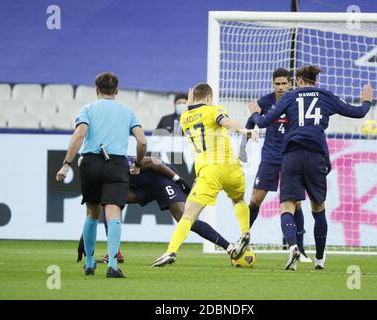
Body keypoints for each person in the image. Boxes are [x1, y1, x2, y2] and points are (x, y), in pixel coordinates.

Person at [249, 65, 373, 270]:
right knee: (318, 207)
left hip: (292, 155)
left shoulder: (289, 97)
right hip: (316, 156)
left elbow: (262, 122)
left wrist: (254, 114)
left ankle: (293, 247)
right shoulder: (326, 96)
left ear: (297, 81)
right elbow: (358, 113)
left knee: (287, 206)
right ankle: (320, 259)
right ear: (316, 82)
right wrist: (367, 100)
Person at [151, 83, 257, 267]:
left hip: (209, 171)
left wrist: (189, 102)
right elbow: (226, 122)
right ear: (209, 97)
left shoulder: (184, 118)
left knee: (188, 216)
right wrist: (245, 130)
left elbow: (188, 111)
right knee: (238, 200)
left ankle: (170, 252)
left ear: (193, 98)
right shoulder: (213, 110)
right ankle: (245, 232)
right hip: (231, 167)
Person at [56, 72, 147, 278]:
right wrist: (139, 163)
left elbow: (79, 134)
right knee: (113, 212)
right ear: (117, 90)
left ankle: (89, 264)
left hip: (91, 162)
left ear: (96, 90)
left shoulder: (87, 109)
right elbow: (142, 142)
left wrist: (66, 164)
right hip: (116, 163)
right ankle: (113, 265)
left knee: (92, 213)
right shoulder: (128, 112)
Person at [77, 155, 237, 263]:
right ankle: (116, 253)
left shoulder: (120, 163)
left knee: (186, 220)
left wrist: (177, 179)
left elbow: (154, 162)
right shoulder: (100, 176)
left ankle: (229, 247)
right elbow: (93, 209)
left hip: (162, 181)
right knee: (109, 203)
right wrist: (84, 237)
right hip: (143, 188)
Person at [239, 68, 311, 264]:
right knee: (255, 199)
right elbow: (251, 121)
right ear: (273, 84)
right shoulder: (266, 101)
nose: (280, 87)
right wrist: (243, 147)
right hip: (270, 158)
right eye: (277, 84)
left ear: (290, 83)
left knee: (295, 203)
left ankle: (300, 249)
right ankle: (243, 239)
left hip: (291, 157)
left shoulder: (298, 100)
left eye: (283, 83)